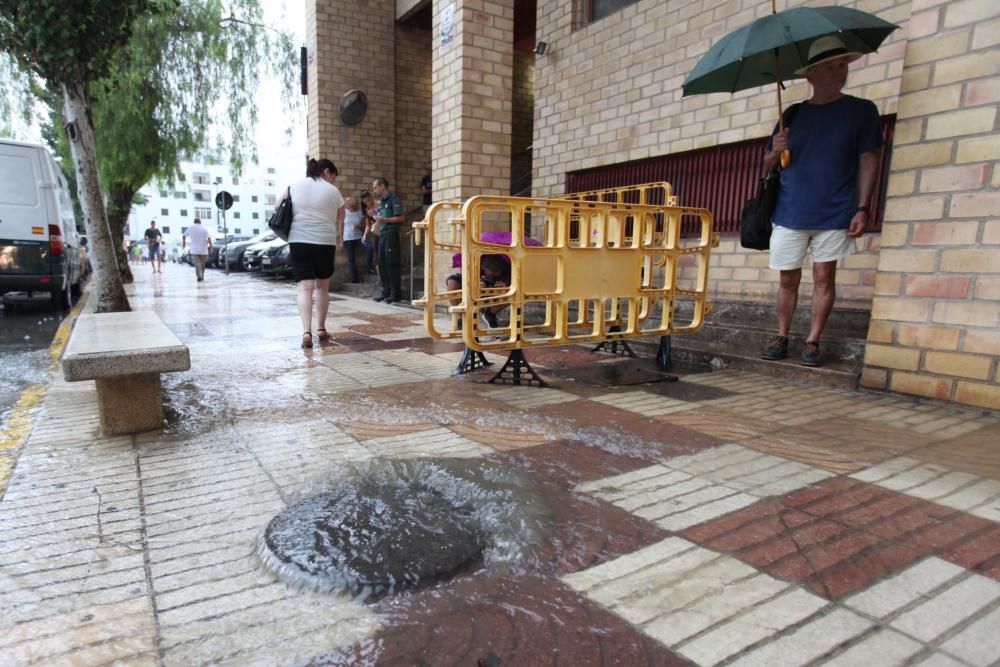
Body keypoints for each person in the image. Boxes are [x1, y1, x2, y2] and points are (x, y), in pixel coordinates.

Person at [761, 35, 882, 367]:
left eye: (842, 65)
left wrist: (862, 207)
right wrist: (776, 148)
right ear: (810, 75)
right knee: (787, 278)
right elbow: (768, 165)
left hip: (836, 211)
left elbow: (869, 159)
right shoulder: (793, 114)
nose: (837, 72)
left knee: (824, 276)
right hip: (789, 211)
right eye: (829, 67)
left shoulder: (862, 111)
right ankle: (781, 334)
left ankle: (813, 339)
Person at [285, 158, 345, 348]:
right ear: (327, 172)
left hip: (298, 239)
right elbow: (340, 218)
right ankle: (321, 328)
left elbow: (278, 207)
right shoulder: (332, 191)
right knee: (322, 286)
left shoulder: (294, 186)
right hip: (324, 241)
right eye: (333, 176)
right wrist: (340, 238)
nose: (333, 180)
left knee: (304, 287)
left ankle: (306, 332)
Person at [446, 253, 510, 330]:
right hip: (474, 293)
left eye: (496, 276)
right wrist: (472, 284)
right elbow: (457, 277)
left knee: (516, 292)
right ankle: (461, 319)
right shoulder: (473, 262)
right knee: (452, 281)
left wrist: (507, 286)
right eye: (490, 275)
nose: (492, 278)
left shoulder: (508, 267)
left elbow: (518, 286)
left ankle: (490, 313)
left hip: (496, 295)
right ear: (482, 267)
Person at [371, 177, 404, 304]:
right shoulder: (382, 201)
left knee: (392, 264)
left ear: (382, 186)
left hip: (391, 234)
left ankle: (395, 294)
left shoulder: (393, 199)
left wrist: (385, 220)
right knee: (382, 263)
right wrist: (375, 215)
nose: (374, 190)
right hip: (382, 234)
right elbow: (381, 217)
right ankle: (386, 292)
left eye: (375, 187)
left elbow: (401, 218)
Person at [341, 195, 365, 283]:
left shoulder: (359, 212)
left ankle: (369, 269)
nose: (346, 203)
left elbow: (364, 226)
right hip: (348, 238)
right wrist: (341, 240)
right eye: (346, 201)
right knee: (351, 259)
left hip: (359, 237)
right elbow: (341, 227)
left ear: (353, 202)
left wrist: (358, 226)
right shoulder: (344, 212)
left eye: (348, 201)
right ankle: (354, 278)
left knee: (369, 248)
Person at [182, 217, 212, 282]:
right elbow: (209, 238)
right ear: (200, 222)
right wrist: (211, 247)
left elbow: (184, 235)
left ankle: (199, 276)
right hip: (204, 249)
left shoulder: (191, 227)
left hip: (194, 249)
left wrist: (184, 243)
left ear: (194, 222)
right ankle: (202, 275)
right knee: (202, 264)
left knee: (197, 264)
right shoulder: (204, 228)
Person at [360, 190, 379, 277]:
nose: (367, 203)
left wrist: (374, 213)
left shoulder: (378, 204)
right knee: (377, 257)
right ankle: (380, 279)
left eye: (368, 200)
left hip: (384, 232)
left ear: (371, 197)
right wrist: (364, 235)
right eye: (365, 201)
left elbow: (383, 217)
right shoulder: (367, 209)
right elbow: (368, 225)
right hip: (376, 233)